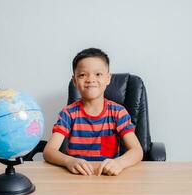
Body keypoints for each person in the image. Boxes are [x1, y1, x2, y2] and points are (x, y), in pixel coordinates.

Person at [43, 48, 143, 176]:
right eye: (83, 75)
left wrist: (119, 163)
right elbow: (49, 151)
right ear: (74, 81)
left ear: (108, 78)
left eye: (98, 74)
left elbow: (137, 151)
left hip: (108, 177)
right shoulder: (68, 113)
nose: (90, 79)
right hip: (77, 178)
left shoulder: (118, 112)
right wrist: (69, 161)